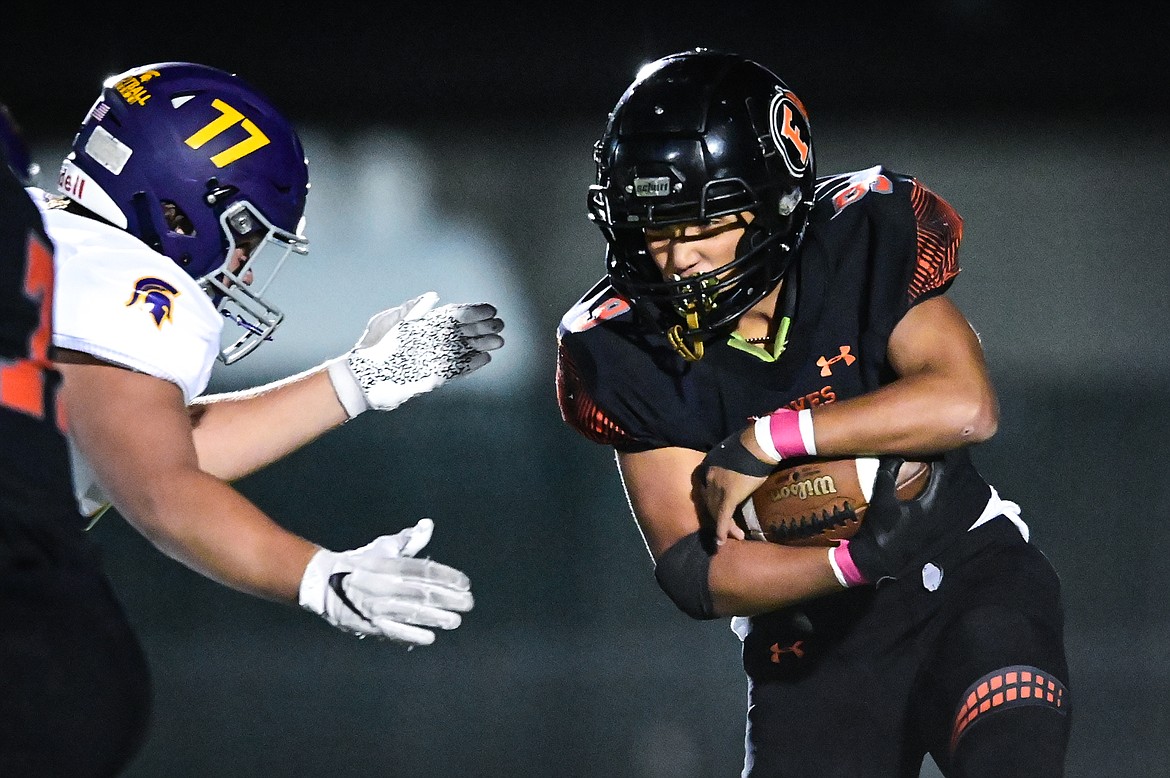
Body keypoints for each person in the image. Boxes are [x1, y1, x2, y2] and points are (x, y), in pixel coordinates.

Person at [556, 49, 1070, 777]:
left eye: (699, 225)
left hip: (965, 580)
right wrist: (855, 559)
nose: (675, 260)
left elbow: (967, 404)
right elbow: (692, 570)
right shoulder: (619, 346)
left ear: (771, 203)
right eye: (653, 228)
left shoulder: (861, 235)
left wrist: (773, 438)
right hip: (808, 638)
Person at [5, 62, 504, 776]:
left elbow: (142, 449)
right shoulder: (132, 284)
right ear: (181, 211)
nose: (241, 269)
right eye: (246, 238)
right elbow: (160, 490)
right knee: (83, 694)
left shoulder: (49, 240)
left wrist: (358, 378)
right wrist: (319, 576)